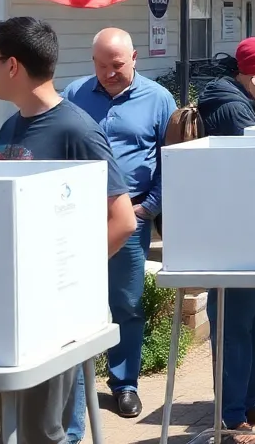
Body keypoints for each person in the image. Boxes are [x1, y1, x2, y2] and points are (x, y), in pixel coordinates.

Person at [0, 17, 136, 444]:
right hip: (6, 312)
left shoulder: (76, 130)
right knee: (14, 428)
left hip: (49, 318)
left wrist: (64, 281)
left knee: (43, 433)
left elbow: (121, 220)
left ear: (12, 65)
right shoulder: (10, 126)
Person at [62, 28, 176, 431]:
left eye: (117, 65)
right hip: (76, 213)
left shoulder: (158, 99)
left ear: (134, 59)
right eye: (101, 65)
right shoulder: (75, 94)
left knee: (125, 302)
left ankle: (124, 382)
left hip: (129, 215)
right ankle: (73, 388)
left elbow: (170, 158)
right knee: (74, 300)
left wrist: (149, 208)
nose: (109, 73)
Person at [197, 37, 255, 439]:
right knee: (235, 329)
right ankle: (230, 415)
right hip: (233, 234)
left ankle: (250, 402)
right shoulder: (231, 105)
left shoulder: (244, 99)